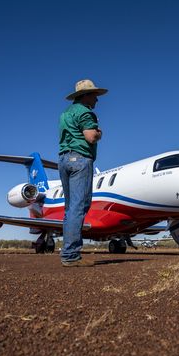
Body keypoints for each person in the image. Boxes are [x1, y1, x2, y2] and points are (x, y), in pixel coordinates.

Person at [58, 79, 107, 267]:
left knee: (70, 208)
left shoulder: (65, 113)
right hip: (80, 159)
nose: (97, 99)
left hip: (64, 160)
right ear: (86, 95)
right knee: (79, 207)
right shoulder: (86, 112)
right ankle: (71, 255)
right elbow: (91, 137)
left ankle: (68, 252)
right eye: (94, 95)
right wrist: (99, 132)